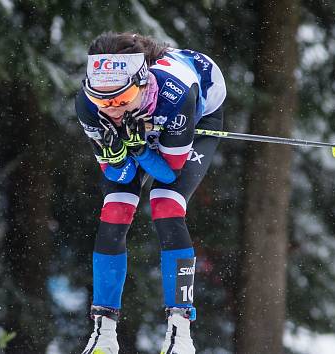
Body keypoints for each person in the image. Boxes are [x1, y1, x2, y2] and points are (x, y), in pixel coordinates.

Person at [75, 32, 226, 354]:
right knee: (115, 209)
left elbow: (168, 172)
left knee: (165, 204)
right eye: (103, 100)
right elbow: (118, 175)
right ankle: (103, 332)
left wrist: (141, 148)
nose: (111, 109)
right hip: (147, 126)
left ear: (141, 84)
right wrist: (118, 152)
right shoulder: (90, 105)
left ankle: (180, 331)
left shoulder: (176, 95)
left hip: (197, 113)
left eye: (120, 99)